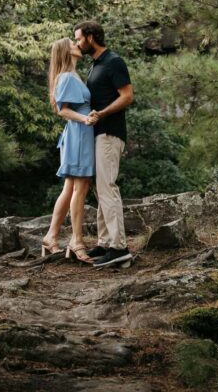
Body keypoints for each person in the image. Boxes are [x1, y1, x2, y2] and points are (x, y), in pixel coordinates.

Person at [75, 19, 134, 268]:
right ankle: (105, 242)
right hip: (99, 134)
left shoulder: (113, 62)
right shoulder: (95, 65)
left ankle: (119, 247)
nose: (77, 42)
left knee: (107, 187)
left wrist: (102, 114)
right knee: (101, 189)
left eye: (78, 38)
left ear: (90, 36)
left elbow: (127, 96)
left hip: (110, 133)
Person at [42, 37, 95, 264]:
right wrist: (86, 119)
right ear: (66, 51)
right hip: (79, 134)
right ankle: (76, 241)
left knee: (71, 187)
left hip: (78, 134)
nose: (78, 45)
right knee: (80, 188)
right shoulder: (66, 77)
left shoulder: (72, 75)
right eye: (73, 43)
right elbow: (63, 110)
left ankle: (50, 237)